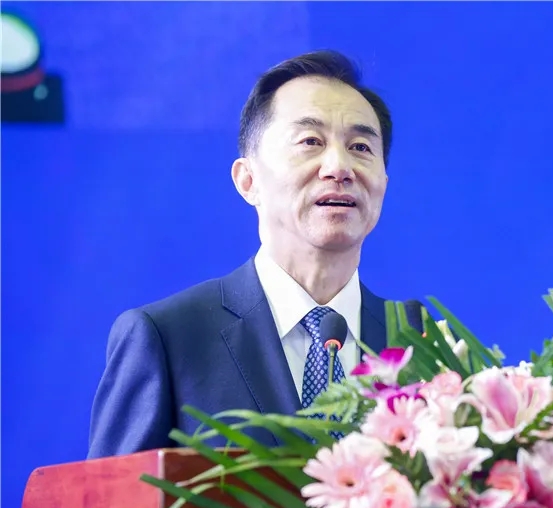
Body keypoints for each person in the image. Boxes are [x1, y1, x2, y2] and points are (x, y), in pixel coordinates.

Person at [87, 50, 394, 459]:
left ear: (383, 181)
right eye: (310, 142)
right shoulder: (167, 338)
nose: (339, 167)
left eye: (361, 147)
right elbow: (113, 498)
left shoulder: (424, 344)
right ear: (248, 180)